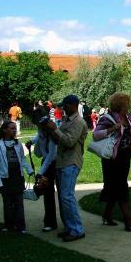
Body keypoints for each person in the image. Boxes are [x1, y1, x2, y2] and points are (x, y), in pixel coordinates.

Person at [93, 92, 131, 232]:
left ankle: (107, 215)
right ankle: (128, 221)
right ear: (120, 105)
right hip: (111, 158)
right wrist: (112, 128)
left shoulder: (129, 117)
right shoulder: (107, 118)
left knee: (114, 186)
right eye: (126, 104)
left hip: (124, 157)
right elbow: (96, 135)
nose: (128, 106)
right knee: (120, 186)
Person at [45, 94, 88, 242]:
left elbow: (69, 142)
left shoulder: (79, 122)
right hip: (62, 162)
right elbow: (59, 139)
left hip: (71, 162)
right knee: (63, 197)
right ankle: (70, 228)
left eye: (65, 106)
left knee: (67, 197)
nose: (63, 108)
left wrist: (55, 130)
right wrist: (51, 130)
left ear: (73, 105)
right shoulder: (66, 121)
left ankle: (77, 230)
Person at [0, 121, 34, 233]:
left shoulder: (17, 143)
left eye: (15, 128)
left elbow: (22, 158)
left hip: (17, 178)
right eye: (12, 128)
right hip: (5, 179)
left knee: (19, 204)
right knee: (7, 204)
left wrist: (29, 170)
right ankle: (8, 225)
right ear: (5, 130)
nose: (14, 130)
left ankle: (21, 227)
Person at [26, 107, 62, 232]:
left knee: (62, 194)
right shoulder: (42, 130)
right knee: (48, 194)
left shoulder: (52, 135)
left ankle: (67, 222)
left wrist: (40, 173)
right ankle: (50, 223)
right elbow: (38, 136)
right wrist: (32, 141)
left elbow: (51, 156)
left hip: (55, 164)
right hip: (47, 163)